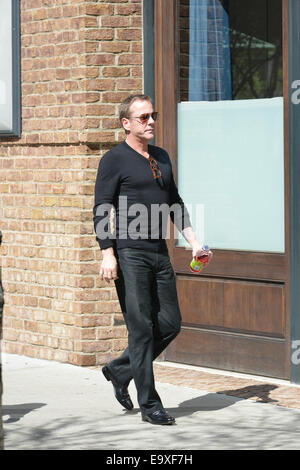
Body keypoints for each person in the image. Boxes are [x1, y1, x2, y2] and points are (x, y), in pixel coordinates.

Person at [93, 94, 212, 425]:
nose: (150, 122)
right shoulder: (114, 159)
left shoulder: (160, 156)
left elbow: (174, 200)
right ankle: (150, 405)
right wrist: (108, 253)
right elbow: (102, 207)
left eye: (152, 116)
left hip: (158, 250)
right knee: (141, 329)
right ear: (126, 123)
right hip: (129, 252)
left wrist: (194, 242)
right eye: (142, 117)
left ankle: (120, 370)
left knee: (171, 323)